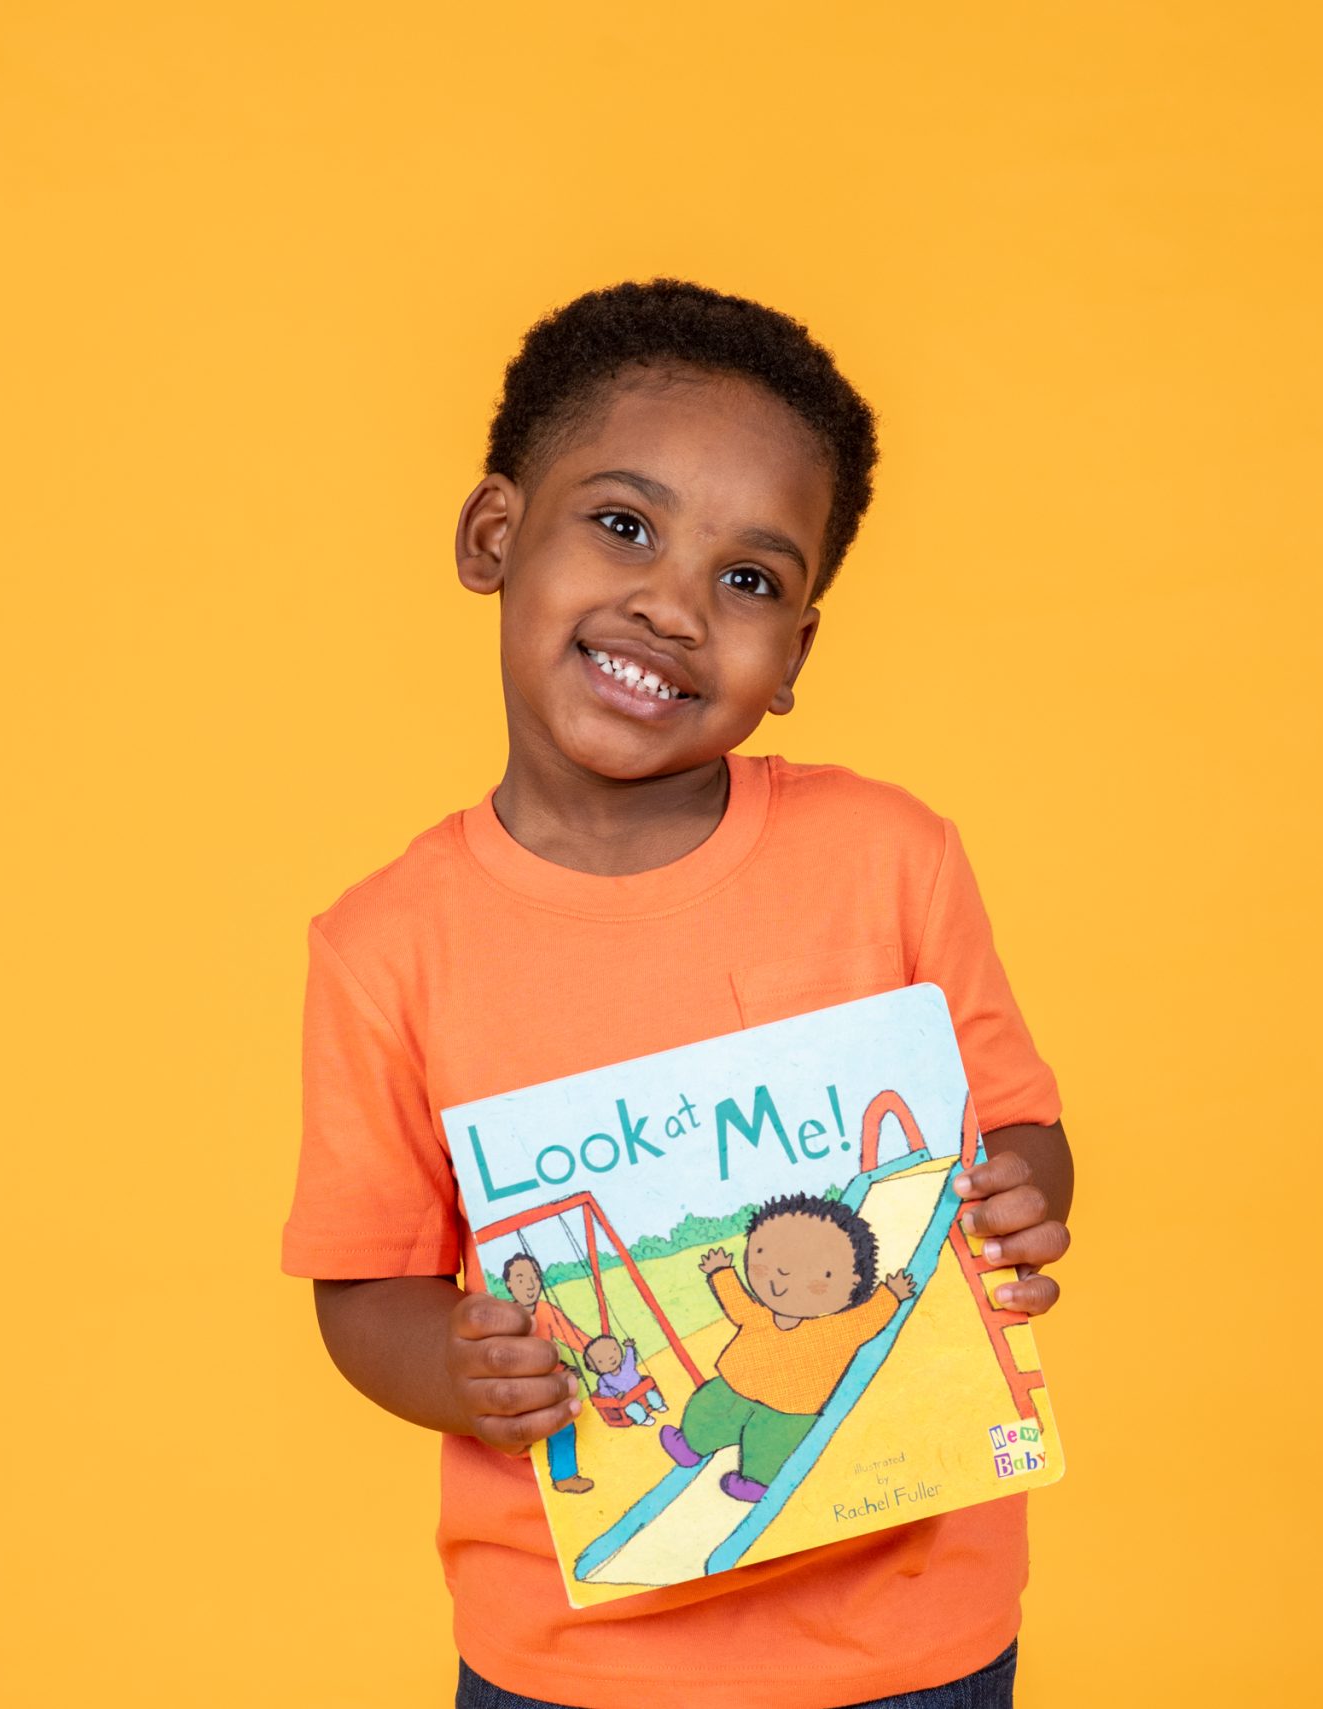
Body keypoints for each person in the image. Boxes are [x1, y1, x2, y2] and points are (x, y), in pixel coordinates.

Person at [281, 278, 1073, 1709]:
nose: (673, 606)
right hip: (573, 1655)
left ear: (796, 660)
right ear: (495, 535)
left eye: (751, 579)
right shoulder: (386, 945)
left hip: (912, 1633)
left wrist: (1017, 1187)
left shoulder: (889, 856)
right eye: (625, 525)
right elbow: (365, 1285)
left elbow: (1014, 1125)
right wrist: (465, 1370)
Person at [665, 1195, 915, 1503]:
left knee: (769, 1444)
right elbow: (738, 1303)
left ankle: (754, 1481)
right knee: (707, 1408)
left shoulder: (839, 1329)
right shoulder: (760, 1314)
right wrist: (721, 1273)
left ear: (854, 1281)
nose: (781, 1275)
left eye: (817, 1270)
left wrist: (890, 1295)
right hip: (734, 1388)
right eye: (762, 1253)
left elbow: (868, 1319)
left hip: (789, 1410)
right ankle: (690, 1443)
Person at [500, 1252, 596, 1493]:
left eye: (534, 1277)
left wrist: (596, 1349)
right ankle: (563, 1477)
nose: (530, 1285)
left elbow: (574, 1336)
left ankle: (564, 1476)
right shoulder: (503, 1317)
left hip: (555, 1382)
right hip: (524, 1388)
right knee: (558, 1426)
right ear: (509, 1284)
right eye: (521, 1279)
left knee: (564, 1424)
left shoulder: (546, 1310)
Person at [582, 1333, 667, 1427]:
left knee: (651, 1395)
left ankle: (659, 1405)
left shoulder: (627, 1365)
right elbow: (604, 1391)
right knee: (632, 1408)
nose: (611, 1358)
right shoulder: (603, 1380)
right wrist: (615, 1394)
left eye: (614, 1350)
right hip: (627, 1401)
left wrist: (629, 1347)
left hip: (641, 1392)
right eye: (601, 1361)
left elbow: (630, 1357)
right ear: (593, 1368)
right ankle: (644, 1419)